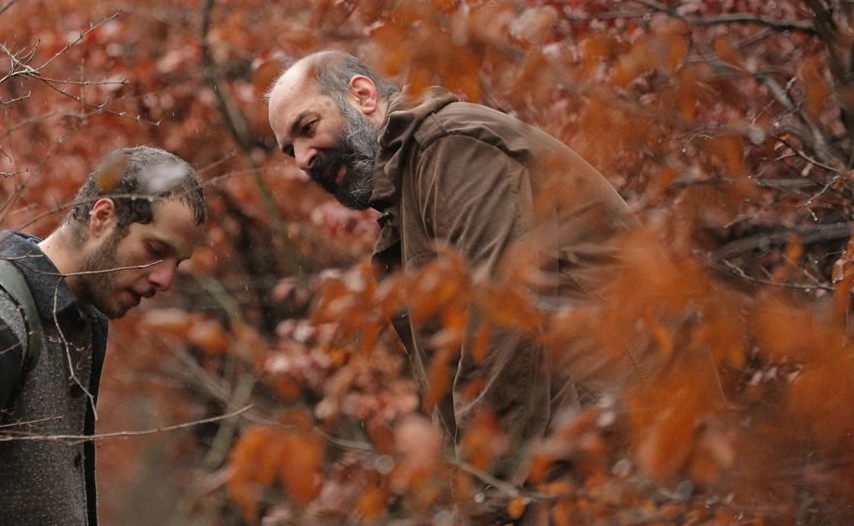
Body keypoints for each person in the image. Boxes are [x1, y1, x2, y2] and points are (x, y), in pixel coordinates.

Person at [266, 50, 642, 481]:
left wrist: (489, 490)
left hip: (632, 434)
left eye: (307, 128)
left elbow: (507, 322)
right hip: (586, 449)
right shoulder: (406, 197)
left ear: (363, 96)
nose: (302, 159)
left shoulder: (451, 147)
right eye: (288, 150)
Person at [0, 146, 207, 526]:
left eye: (176, 264)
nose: (164, 280)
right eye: (156, 250)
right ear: (102, 217)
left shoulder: (79, 321)